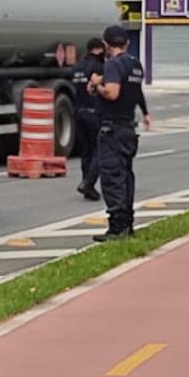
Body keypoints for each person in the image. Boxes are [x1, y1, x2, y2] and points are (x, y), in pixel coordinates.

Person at [88, 25, 151, 242]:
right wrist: (146, 113)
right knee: (126, 176)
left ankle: (117, 227)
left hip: (112, 129)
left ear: (106, 44)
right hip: (128, 128)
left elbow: (112, 93)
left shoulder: (114, 65)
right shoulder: (135, 65)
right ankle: (128, 223)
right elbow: (135, 91)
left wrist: (97, 85)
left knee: (112, 176)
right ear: (127, 43)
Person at [71, 37, 106, 201]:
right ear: (98, 49)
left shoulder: (78, 67)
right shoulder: (98, 67)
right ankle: (89, 183)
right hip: (94, 112)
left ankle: (86, 183)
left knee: (86, 152)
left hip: (78, 112)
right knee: (100, 150)